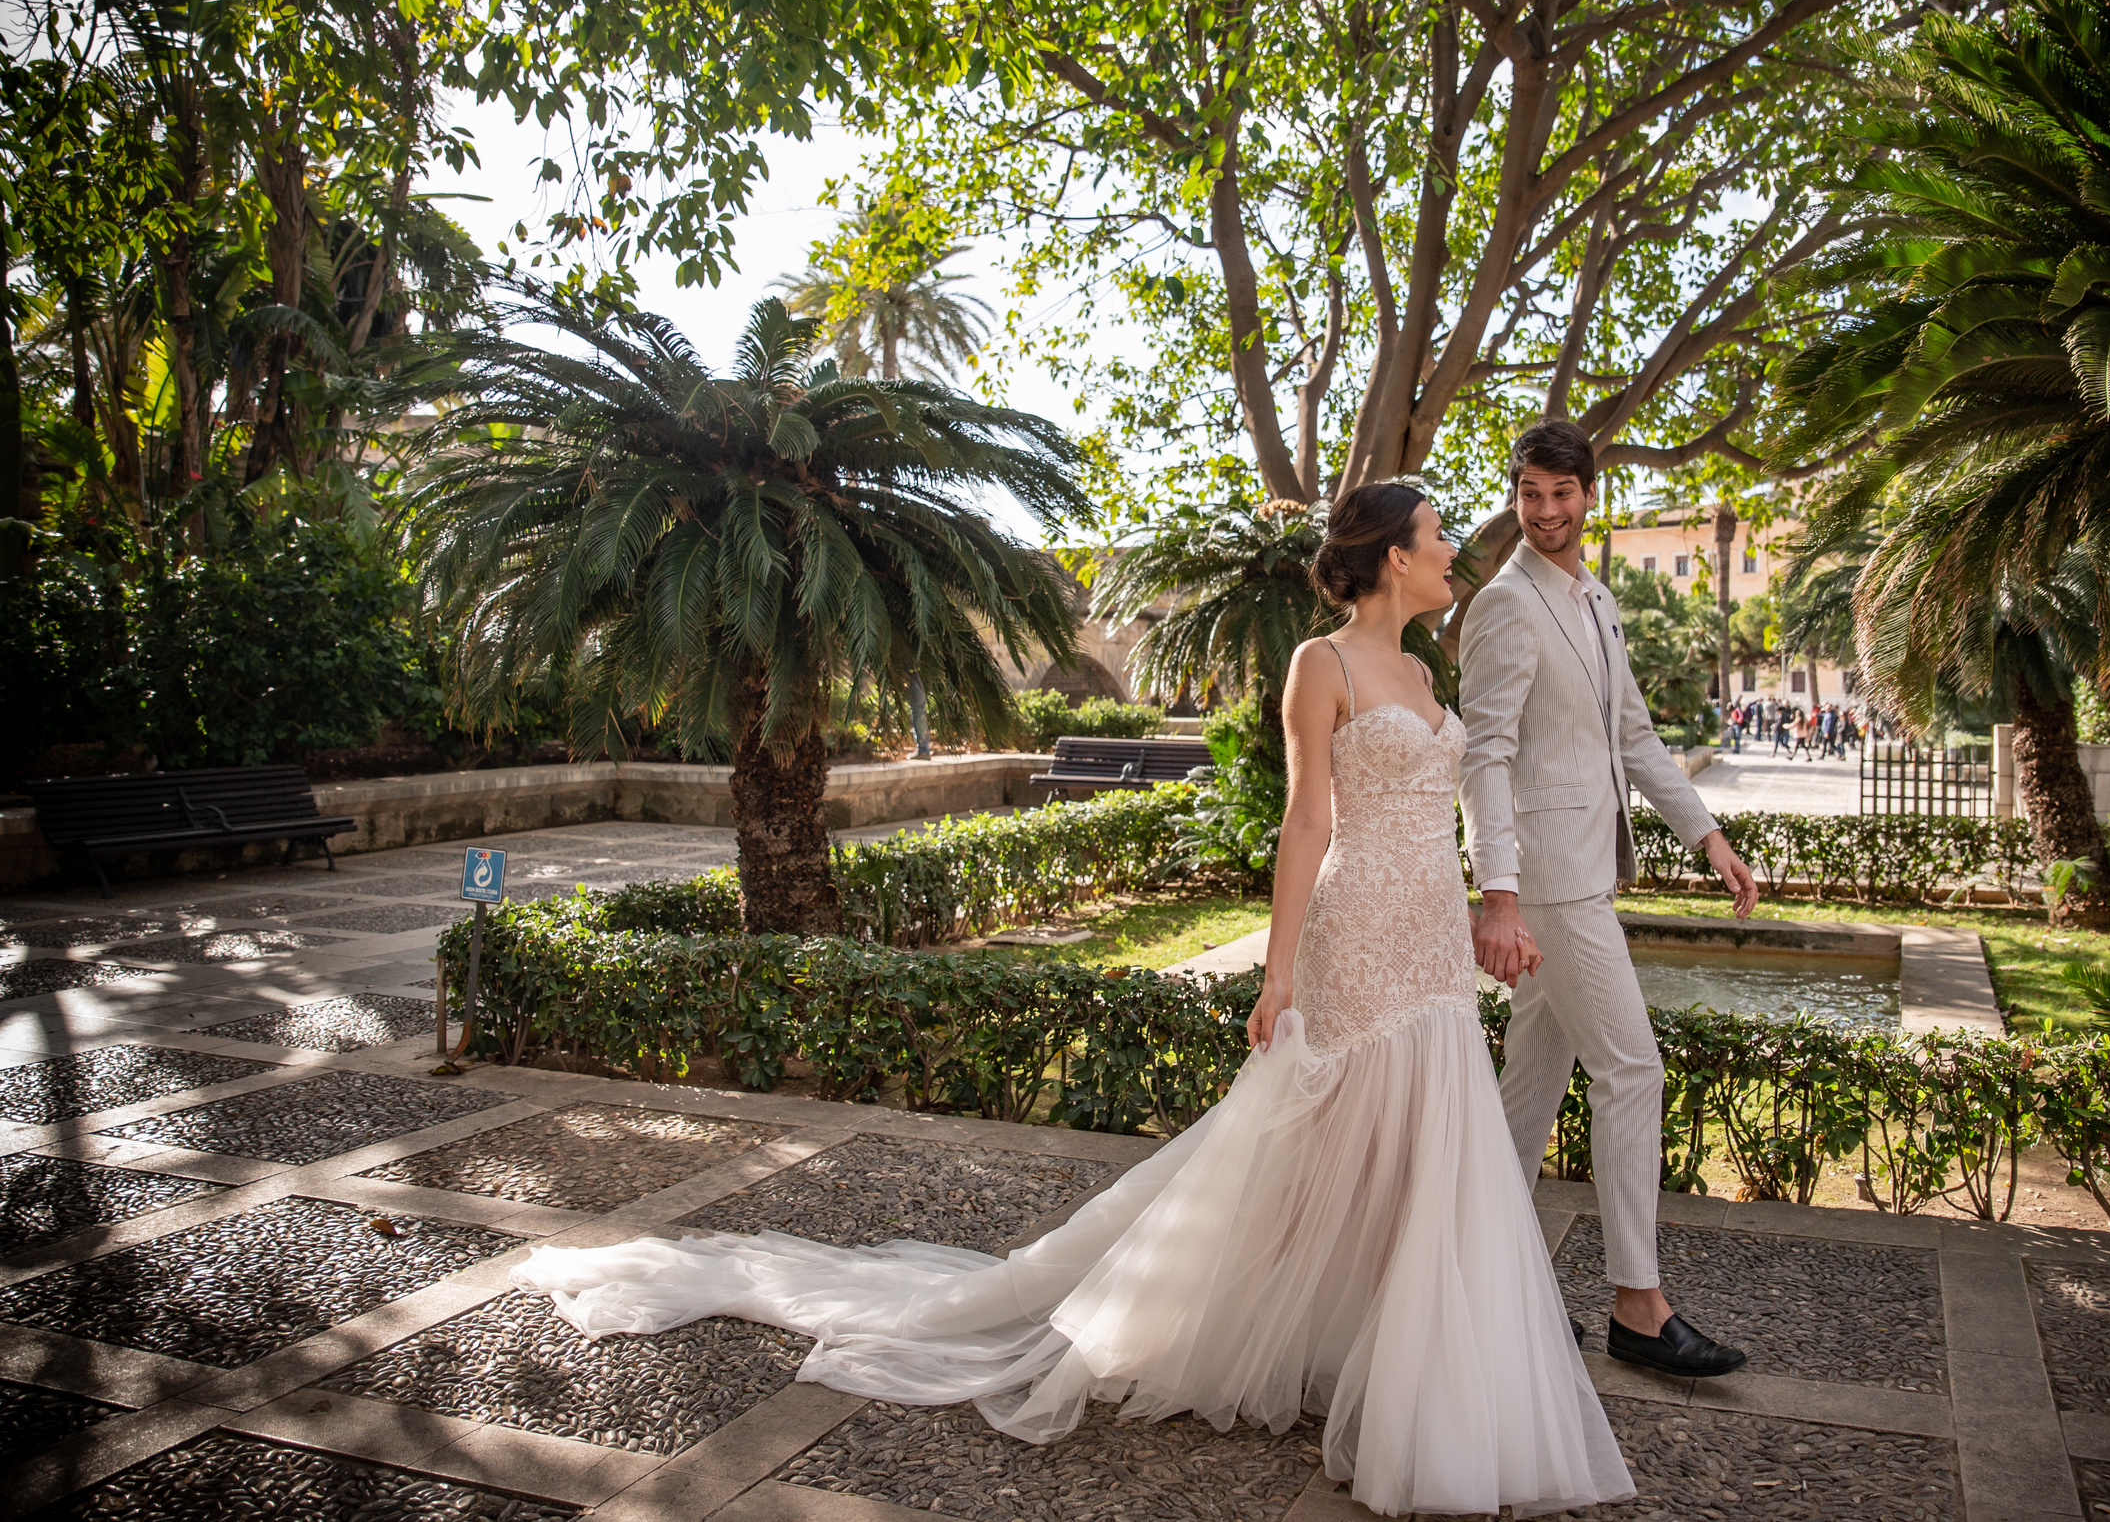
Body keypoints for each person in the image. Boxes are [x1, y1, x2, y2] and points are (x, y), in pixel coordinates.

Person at [511, 482, 1631, 1520]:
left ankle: (1410, 1362)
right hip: (1357, 937)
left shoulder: (1431, 677)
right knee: (1330, 1141)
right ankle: (1292, 1345)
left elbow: (1456, 807)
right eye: (1438, 536)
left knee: (1421, 1151)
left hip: (1432, 937)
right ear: (1390, 555)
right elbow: (1306, 822)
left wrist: (1496, 906)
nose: (1453, 553)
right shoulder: (1319, 664)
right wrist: (1278, 966)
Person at [1459, 418, 1757, 1383]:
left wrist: (1707, 836)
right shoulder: (1505, 606)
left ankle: (1480, 1283)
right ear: (1516, 495)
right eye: (1529, 494)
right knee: (1635, 1069)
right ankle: (1639, 1306)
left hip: (1582, 868)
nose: (1545, 512)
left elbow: (1634, 737)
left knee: (1531, 1087)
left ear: (1591, 495)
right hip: (1545, 880)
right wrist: (1496, 894)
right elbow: (1485, 755)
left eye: (1562, 494)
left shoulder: (1595, 600)